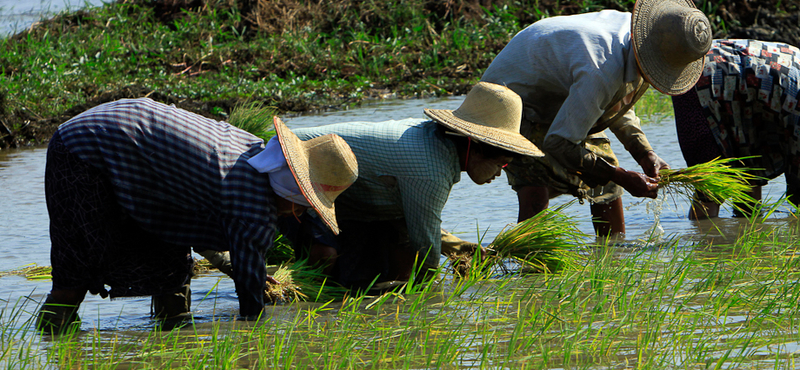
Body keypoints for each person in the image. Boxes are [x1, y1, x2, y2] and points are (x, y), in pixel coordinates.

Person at [35, 98, 358, 334]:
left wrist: (238, 265)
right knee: (77, 263)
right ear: (293, 191)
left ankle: (174, 333)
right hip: (84, 147)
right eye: (304, 205)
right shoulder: (254, 208)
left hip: (130, 138)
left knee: (171, 261)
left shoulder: (254, 150)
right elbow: (250, 300)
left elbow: (192, 221)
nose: (299, 213)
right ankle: (53, 335)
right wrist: (256, 336)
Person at [479, 0, 713, 237]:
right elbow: (558, 142)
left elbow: (614, 101)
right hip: (511, 104)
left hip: (561, 95)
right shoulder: (600, 66)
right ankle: (526, 263)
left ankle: (613, 257)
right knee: (535, 185)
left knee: (607, 183)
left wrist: (644, 153)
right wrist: (622, 176)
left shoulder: (642, 37)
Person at [279, 82, 544, 290]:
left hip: (347, 197)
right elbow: (426, 248)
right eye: (502, 164)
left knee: (376, 271)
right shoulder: (430, 170)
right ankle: (303, 298)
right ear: (476, 147)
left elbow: (416, 222)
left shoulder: (433, 142)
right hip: (294, 167)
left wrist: (459, 248)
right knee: (326, 257)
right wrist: (430, 299)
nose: (500, 173)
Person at [672, 39, 800, 219]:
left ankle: (745, 227)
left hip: (733, 74)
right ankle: (705, 241)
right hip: (702, 80)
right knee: (709, 185)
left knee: (749, 163)